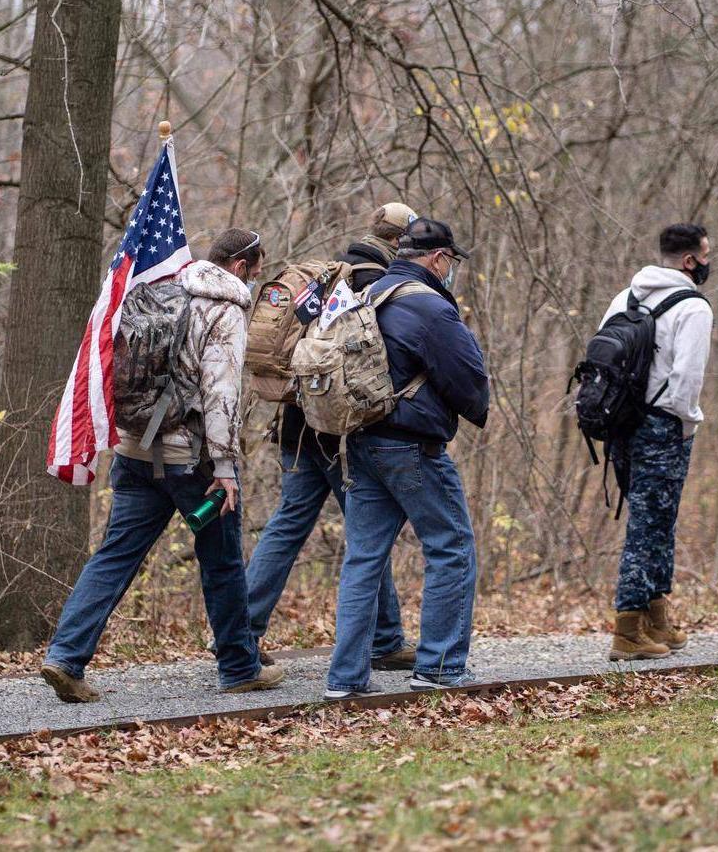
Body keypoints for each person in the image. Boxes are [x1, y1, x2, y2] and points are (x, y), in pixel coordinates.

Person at [41, 229, 284, 700]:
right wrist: (226, 469)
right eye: (254, 271)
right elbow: (221, 395)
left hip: (134, 451)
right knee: (223, 562)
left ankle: (66, 656)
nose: (255, 281)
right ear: (239, 267)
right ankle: (239, 667)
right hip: (189, 459)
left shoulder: (160, 292)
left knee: (115, 555)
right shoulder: (225, 310)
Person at [245, 203, 421, 669]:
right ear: (402, 242)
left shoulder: (327, 275)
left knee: (287, 526)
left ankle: (240, 631)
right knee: (370, 530)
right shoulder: (377, 286)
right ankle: (385, 642)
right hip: (339, 434)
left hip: (295, 426)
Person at [325, 218, 489, 699]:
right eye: (450, 261)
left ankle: (346, 678)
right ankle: (438, 667)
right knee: (451, 547)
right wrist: (475, 409)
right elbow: (468, 379)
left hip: (360, 441)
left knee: (363, 558)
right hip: (412, 446)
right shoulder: (429, 307)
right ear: (438, 258)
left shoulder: (366, 295)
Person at [599, 224, 714, 661]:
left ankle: (655, 616)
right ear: (690, 261)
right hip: (664, 425)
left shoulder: (626, 296)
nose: (707, 263)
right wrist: (686, 425)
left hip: (623, 423)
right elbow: (687, 379)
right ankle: (627, 629)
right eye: (705, 255)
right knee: (649, 525)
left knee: (656, 520)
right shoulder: (693, 308)